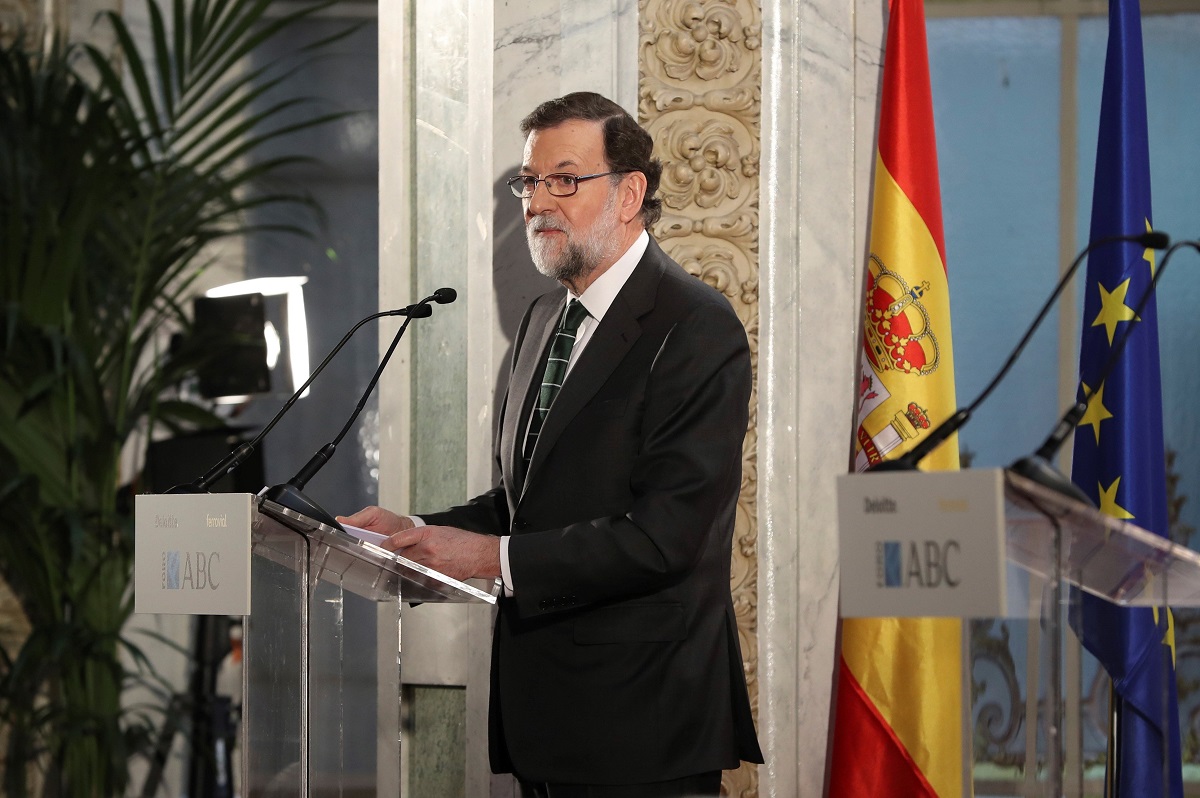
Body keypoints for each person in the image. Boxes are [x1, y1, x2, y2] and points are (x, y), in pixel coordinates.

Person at [340, 91, 762, 797]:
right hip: (544, 724)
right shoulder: (543, 320)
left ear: (630, 193)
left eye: (564, 179)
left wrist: (486, 558)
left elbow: (667, 536)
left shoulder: (695, 326)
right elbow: (525, 504)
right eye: (529, 182)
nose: (538, 201)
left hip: (642, 726)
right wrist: (417, 532)